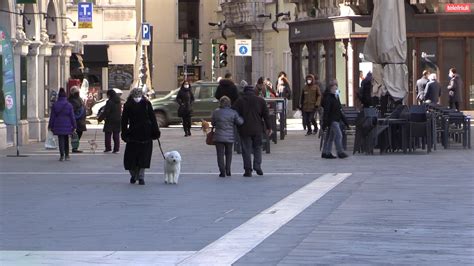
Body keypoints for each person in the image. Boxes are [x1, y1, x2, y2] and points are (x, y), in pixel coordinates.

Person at [121, 88, 160, 185]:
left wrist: (124, 133)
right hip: (139, 134)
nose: (137, 98)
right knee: (137, 157)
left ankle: (137, 176)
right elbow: (124, 121)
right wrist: (156, 132)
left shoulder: (143, 104)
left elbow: (152, 118)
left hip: (139, 134)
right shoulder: (136, 104)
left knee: (137, 157)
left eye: (138, 96)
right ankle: (137, 176)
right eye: (136, 96)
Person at [233, 85, 272, 177]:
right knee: (257, 148)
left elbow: (234, 113)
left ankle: (248, 170)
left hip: (244, 128)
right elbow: (266, 115)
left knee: (246, 149)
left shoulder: (239, 101)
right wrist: (269, 127)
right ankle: (257, 166)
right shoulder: (260, 100)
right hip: (257, 128)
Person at [211, 96, 244, 177]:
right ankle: (228, 170)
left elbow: (213, 123)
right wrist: (243, 118)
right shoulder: (233, 112)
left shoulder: (216, 112)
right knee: (229, 154)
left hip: (218, 137)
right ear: (229, 103)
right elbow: (240, 122)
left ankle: (222, 171)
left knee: (220, 154)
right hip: (230, 137)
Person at [321, 80, 348, 159]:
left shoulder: (336, 96)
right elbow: (327, 111)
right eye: (334, 88)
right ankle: (340, 152)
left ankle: (326, 152)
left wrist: (345, 122)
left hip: (335, 119)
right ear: (330, 88)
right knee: (339, 135)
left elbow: (339, 109)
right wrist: (325, 123)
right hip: (332, 120)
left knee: (330, 136)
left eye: (336, 88)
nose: (336, 89)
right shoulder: (329, 98)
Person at [48, 88, 77, 161]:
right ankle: (67, 155)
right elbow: (72, 116)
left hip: (58, 124)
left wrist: (50, 125)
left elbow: (52, 117)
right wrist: (74, 125)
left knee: (60, 139)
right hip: (67, 124)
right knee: (66, 139)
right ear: (65, 96)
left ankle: (61, 155)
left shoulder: (55, 105)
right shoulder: (69, 105)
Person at [98, 89, 122, 153]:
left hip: (110, 120)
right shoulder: (118, 101)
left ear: (109, 95)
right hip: (118, 119)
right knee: (116, 134)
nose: (107, 96)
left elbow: (106, 111)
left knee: (108, 134)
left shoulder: (109, 102)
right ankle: (116, 149)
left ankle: (108, 148)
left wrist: (100, 118)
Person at [68, 86, 87, 153]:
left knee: (78, 134)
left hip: (80, 119)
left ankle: (75, 147)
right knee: (76, 134)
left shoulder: (78, 99)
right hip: (77, 120)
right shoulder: (72, 100)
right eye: (76, 92)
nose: (77, 93)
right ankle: (74, 147)